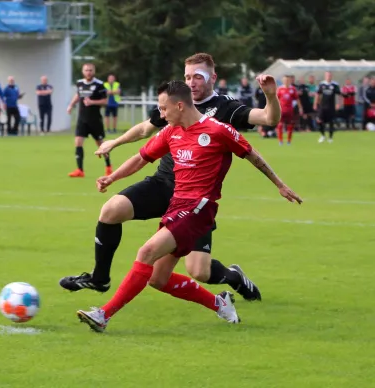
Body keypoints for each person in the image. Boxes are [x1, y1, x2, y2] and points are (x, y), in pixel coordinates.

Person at [76, 81, 302, 332]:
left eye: (164, 109)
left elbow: (252, 155)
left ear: (180, 105)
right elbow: (141, 158)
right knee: (157, 279)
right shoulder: (171, 132)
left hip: (199, 209)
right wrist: (112, 178)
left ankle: (103, 315)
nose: (161, 115)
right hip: (176, 207)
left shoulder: (218, 131)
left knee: (146, 252)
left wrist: (280, 185)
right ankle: (219, 304)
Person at [60, 53, 282, 302]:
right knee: (111, 210)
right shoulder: (177, 102)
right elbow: (146, 129)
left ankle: (233, 277)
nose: (192, 82)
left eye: (198, 76)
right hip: (163, 185)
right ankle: (99, 279)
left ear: (212, 78)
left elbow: (268, 118)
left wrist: (270, 96)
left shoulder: (226, 108)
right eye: (187, 76)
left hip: (195, 199)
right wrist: (116, 141)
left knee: (199, 270)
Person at [66, 63, 111, 178]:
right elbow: (78, 95)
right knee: (78, 142)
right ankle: (80, 170)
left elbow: (105, 101)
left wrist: (92, 102)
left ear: (94, 71)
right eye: (86, 70)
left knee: (101, 145)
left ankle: (108, 168)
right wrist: (71, 105)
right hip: (82, 119)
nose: (88, 72)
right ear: (83, 71)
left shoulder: (99, 85)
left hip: (95, 120)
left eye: (90, 70)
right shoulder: (80, 83)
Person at [313, 71, 341, 143]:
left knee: (331, 122)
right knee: (319, 121)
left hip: (331, 106)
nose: (328, 77)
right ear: (325, 76)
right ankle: (323, 135)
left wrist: (338, 103)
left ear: (331, 76)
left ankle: (330, 138)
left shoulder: (335, 85)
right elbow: (317, 94)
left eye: (330, 75)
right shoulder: (322, 84)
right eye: (327, 75)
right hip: (322, 106)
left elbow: (339, 94)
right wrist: (315, 104)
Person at [276, 75, 302, 145]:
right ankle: (280, 141)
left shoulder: (293, 89)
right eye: (285, 80)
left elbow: (297, 99)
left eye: (287, 80)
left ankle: (288, 141)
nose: (286, 81)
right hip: (281, 110)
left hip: (290, 110)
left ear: (290, 81)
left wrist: (300, 108)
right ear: (283, 81)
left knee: (290, 125)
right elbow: (276, 100)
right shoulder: (280, 89)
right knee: (280, 125)